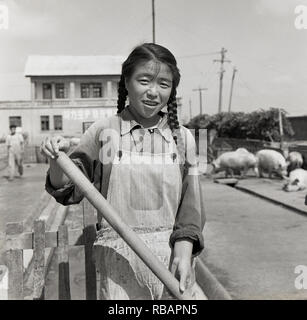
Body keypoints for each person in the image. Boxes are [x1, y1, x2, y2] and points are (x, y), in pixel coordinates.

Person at [41, 43, 206, 300]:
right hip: (118, 260)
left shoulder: (184, 138)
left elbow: (191, 207)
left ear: (172, 90)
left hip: (171, 260)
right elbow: (67, 190)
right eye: (144, 80)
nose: (153, 92)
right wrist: (56, 158)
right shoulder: (103, 131)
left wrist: (184, 254)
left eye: (164, 84)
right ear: (126, 82)